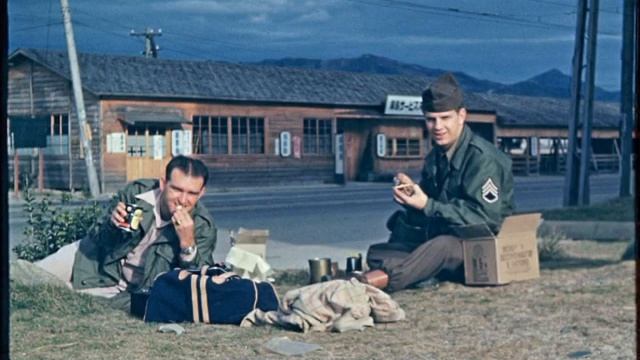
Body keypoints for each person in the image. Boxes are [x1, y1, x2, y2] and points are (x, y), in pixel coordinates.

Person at [360, 73, 515, 291]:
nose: (437, 126)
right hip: (441, 238)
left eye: (445, 118)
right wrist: (412, 196)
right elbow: (429, 206)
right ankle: (421, 272)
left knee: (441, 246)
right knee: (378, 251)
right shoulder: (436, 155)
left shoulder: (482, 159)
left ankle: (371, 283)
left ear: (461, 116)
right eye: (431, 119)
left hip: (478, 247)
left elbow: (487, 220)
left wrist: (427, 205)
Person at [36, 155, 217, 306]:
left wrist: (187, 245)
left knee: (57, 298)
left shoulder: (202, 226)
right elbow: (98, 238)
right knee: (26, 278)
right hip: (89, 256)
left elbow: (199, 283)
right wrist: (111, 224)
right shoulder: (136, 193)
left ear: (201, 193)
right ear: (163, 184)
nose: (183, 200)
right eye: (177, 190)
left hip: (118, 286)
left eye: (192, 193)